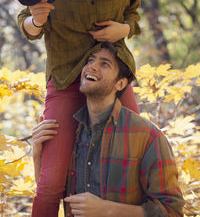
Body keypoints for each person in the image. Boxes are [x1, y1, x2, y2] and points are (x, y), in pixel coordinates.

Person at [18, 0, 141, 215]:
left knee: (135, 158)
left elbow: (133, 15)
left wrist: (122, 30)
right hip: (65, 78)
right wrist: (37, 21)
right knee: (51, 181)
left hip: (113, 76)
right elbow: (26, 23)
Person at [32, 43, 185, 217]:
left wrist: (107, 210)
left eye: (104, 63)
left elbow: (172, 211)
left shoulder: (147, 136)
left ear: (120, 83)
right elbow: (58, 195)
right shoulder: (71, 134)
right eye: (90, 60)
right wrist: (38, 155)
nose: (92, 66)